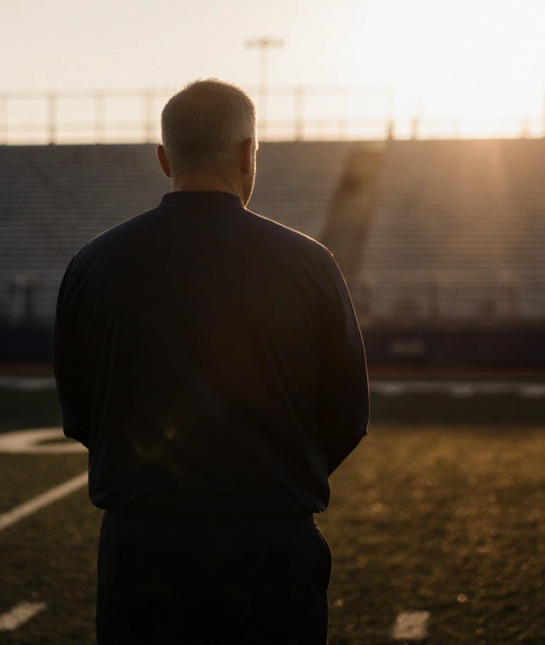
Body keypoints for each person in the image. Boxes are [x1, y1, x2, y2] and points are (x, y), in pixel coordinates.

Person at [55, 79, 369, 644]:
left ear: (163, 158)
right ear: (248, 154)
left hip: (141, 554)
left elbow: (80, 413)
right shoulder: (310, 264)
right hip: (271, 551)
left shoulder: (92, 264)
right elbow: (347, 415)